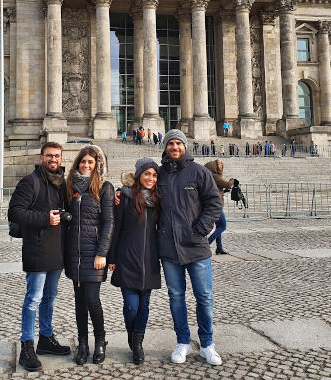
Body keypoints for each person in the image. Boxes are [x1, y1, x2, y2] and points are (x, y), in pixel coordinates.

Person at [157, 130, 223, 365]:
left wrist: (200, 230)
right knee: (176, 297)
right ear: (165, 147)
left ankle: (207, 344)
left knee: (204, 297)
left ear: (184, 146)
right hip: (169, 248)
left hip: (196, 246)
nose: (174, 147)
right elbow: (143, 196)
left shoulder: (199, 172)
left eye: (178, 143)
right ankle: (183, 342)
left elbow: (215, 202)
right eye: (170, 144)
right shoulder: (159, 174)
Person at [8, 142, 71, 373]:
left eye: (57, 156)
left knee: (50, 297)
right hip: (36, 248)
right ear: (41, 157)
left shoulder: (61, 182)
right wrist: (45, 218)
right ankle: (27, 346)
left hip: (56, 249)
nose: (53, 159)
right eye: (49, 156)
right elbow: (14, 212)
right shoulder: (30, 181)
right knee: (33, 298)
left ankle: (46, 338)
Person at [63, 145, 114, 365]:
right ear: (78, 163)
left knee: (92, 299)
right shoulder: (70, 185)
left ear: (96, 165)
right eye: (83, 162)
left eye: (90, 162)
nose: (86, 165)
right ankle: (82, 343)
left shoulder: (104, 187)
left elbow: (109, 222)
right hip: (75, 253)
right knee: (79, 301)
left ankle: (100, 341)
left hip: (94, 253)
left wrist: (102, 253)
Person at [109, 157, 161, 364]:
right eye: (147, 174)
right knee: (131, 305)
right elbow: (116, 228)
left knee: (145, 305)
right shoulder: (126, 197)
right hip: (127, 257)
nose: (150, 178)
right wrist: (112, 257)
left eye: (154, 175)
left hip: (149, 258)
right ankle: (133, 337)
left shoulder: (159, 199)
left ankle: (138, 343)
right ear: (138, 175)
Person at [204, 159, 233, 255]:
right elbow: (228, 185)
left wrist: (223, 192)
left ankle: (219, 247)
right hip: (217, 205)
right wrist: (233, 180)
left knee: (218, 226)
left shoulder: (208, 176)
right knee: (222, 226)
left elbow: (215, 190)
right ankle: (207, 244)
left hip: (212, 203)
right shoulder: (215, 177)